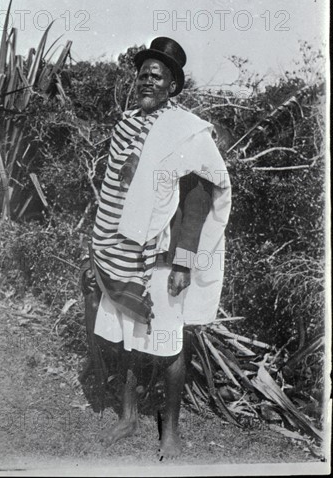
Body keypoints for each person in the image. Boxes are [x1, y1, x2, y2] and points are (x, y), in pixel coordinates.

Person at [86, 37, 231, 458]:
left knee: (168, 342)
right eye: (144, 74)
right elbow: (114, 193)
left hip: (164, 254)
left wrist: (185, 262)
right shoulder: (126, 124)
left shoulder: (186, 132)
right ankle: (129, 418)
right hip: (122, 250)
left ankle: (170, 431)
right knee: (130, 336)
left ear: (172, 86)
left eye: (158, 76)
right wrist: (104, 244)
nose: (148, 81)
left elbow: (200, 200)